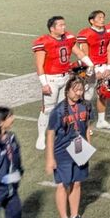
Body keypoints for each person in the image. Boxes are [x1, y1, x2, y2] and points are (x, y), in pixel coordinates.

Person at [45, 76, 92, 218]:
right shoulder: (58, 111)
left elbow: (87, 126)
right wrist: (50, 158)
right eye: (75, 90)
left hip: (80, 148)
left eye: (81, 90)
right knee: (63, 185)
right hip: (63, 152)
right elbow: (50, 134)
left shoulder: (85, 106)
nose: (78, 93)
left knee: (77, 182)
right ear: (67, 91)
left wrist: (88, 145)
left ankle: (74, 215)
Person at [33, 15, 85, 151]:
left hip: (66, 77)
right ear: (52, 28)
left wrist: (90, 64)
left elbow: (79, 53)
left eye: (64, 24)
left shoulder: (68, 37)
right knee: (48, 109)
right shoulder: (44, 41)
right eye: (61, 25)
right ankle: (41, 136)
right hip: (51, 79)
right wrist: (44, 84)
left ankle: (60, 133)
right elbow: (39, 65)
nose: (64, 27)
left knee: (63, 107)